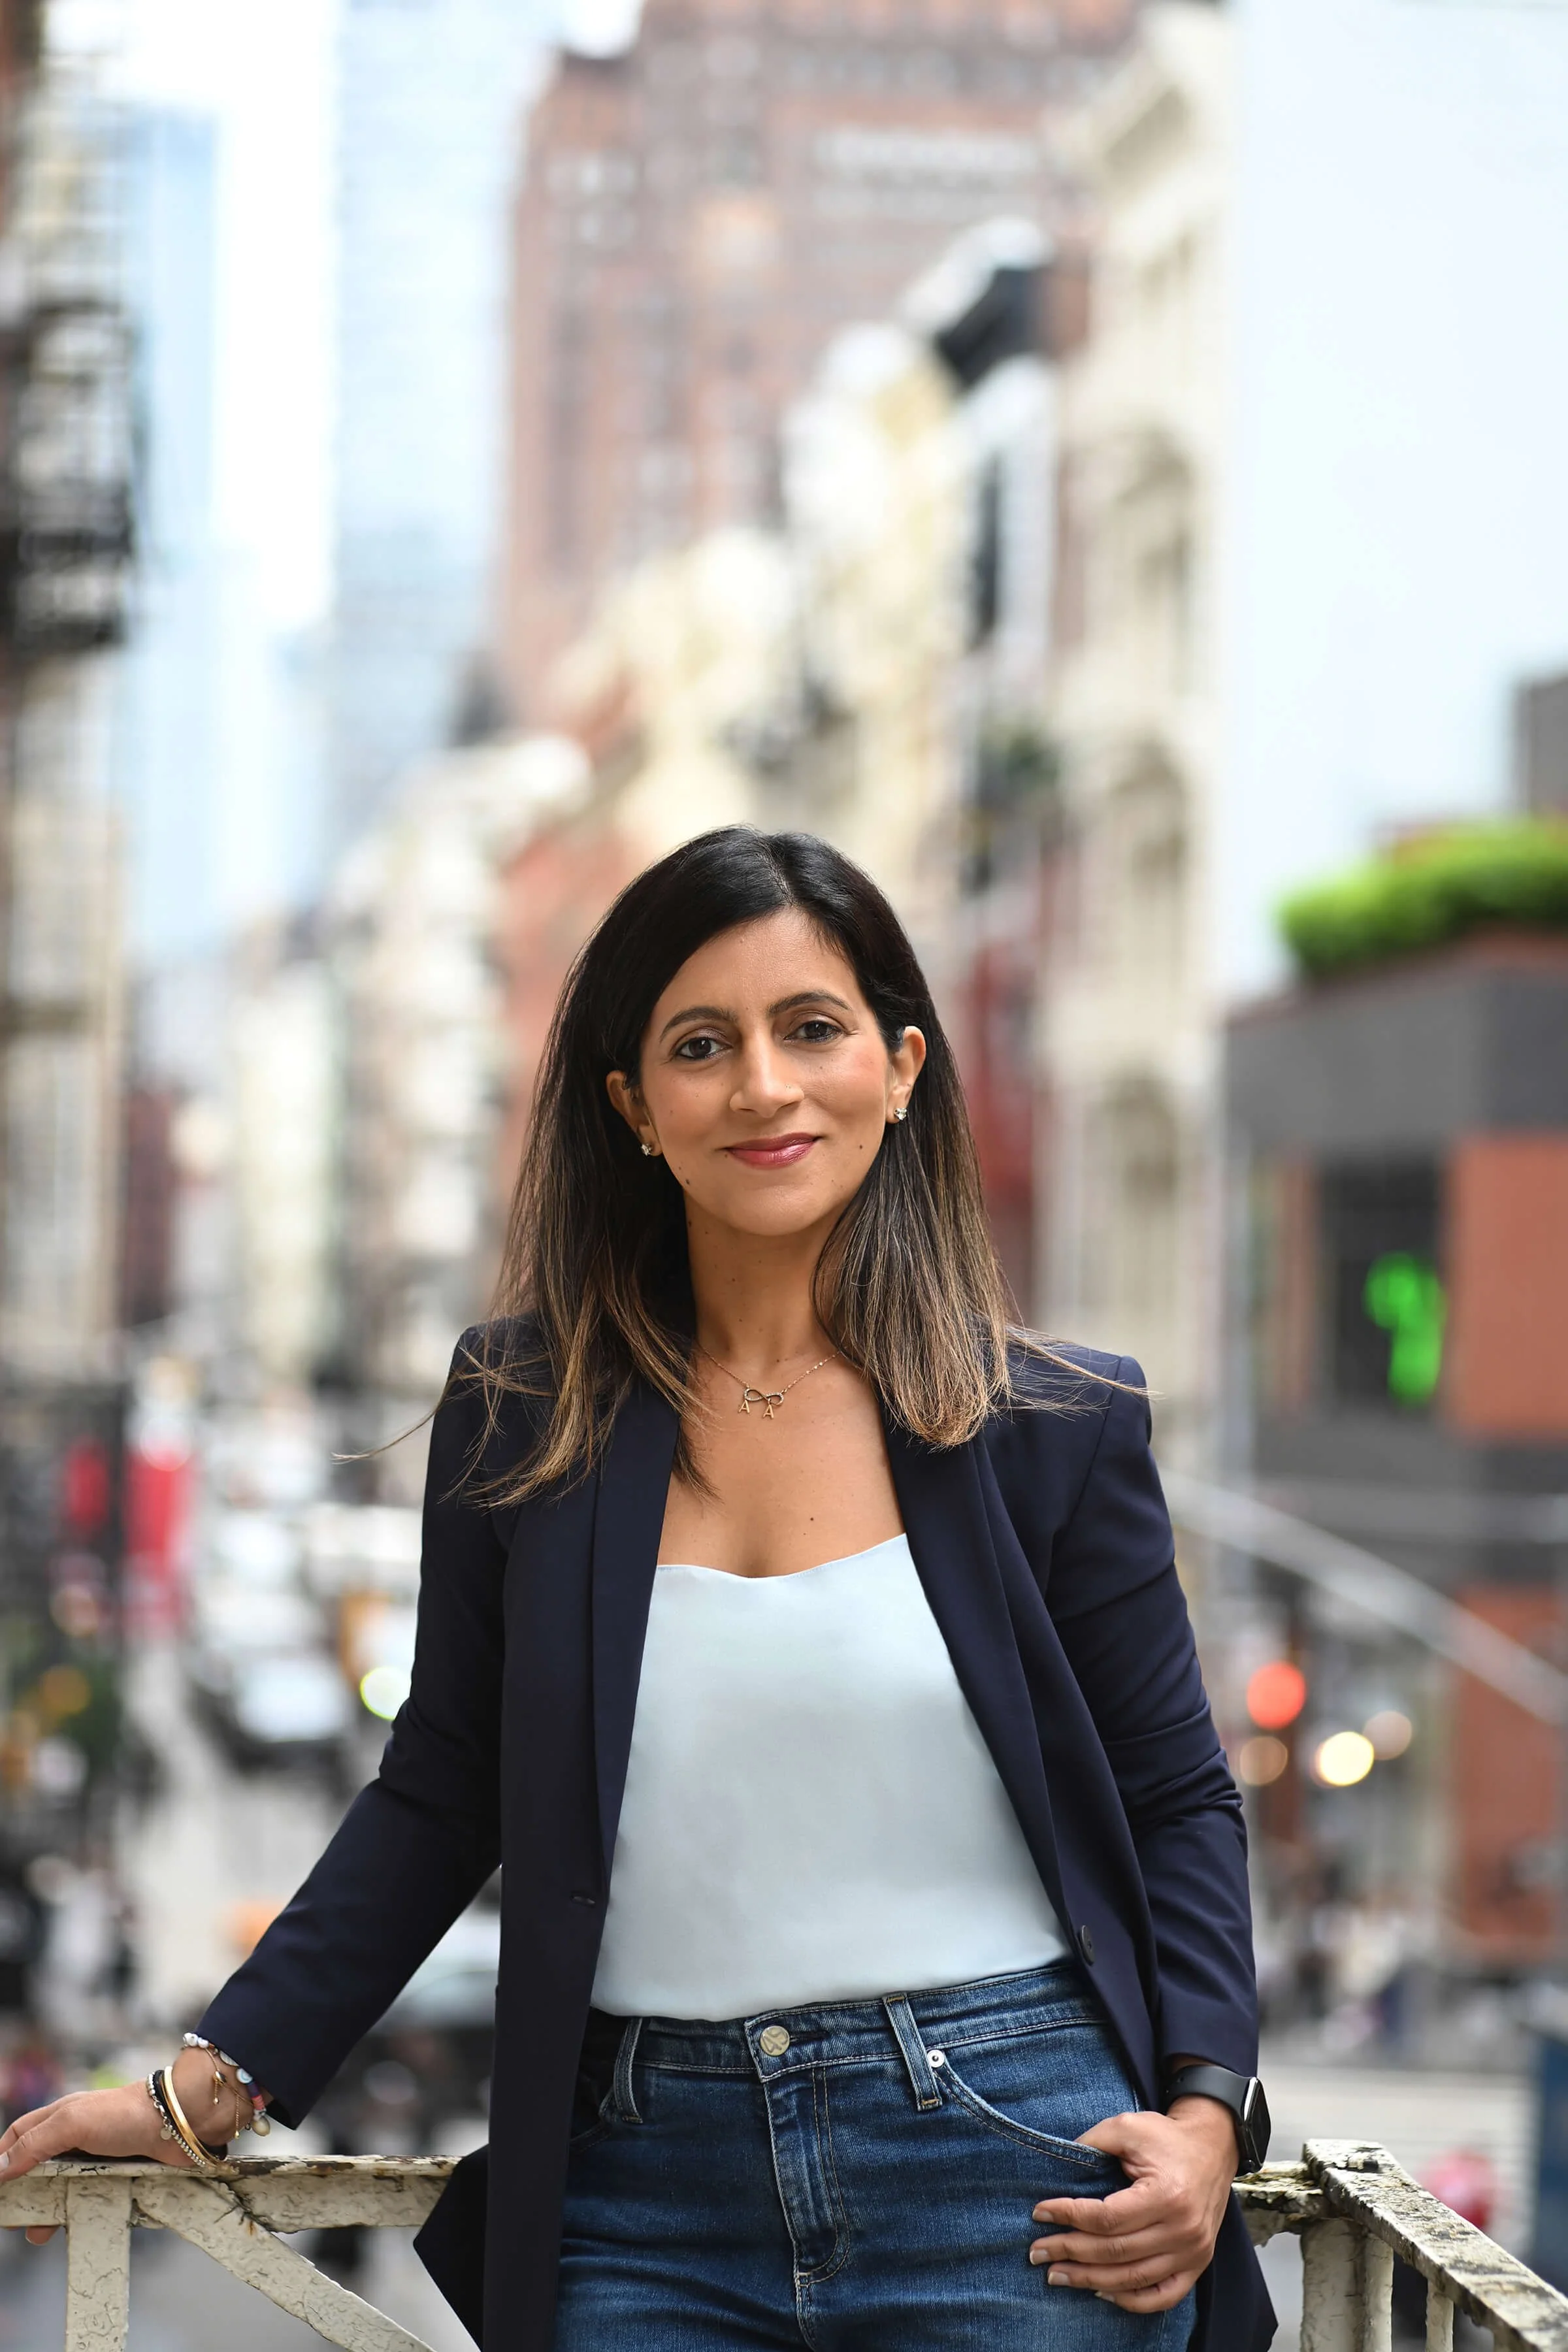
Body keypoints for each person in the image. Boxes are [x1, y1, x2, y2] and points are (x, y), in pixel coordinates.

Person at [0, 829, 1275, 2351]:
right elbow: (441, 1788)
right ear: (633, 1105)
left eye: (813, 1029)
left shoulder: (1058, 1426)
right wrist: (200, 2091)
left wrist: (1209, 2118)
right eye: (700, 1045)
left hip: (1015, 2172)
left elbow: (1177, 1797)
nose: (763, 1086)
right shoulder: (521, 1407)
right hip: (638, 2182)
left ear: (902, 1064)